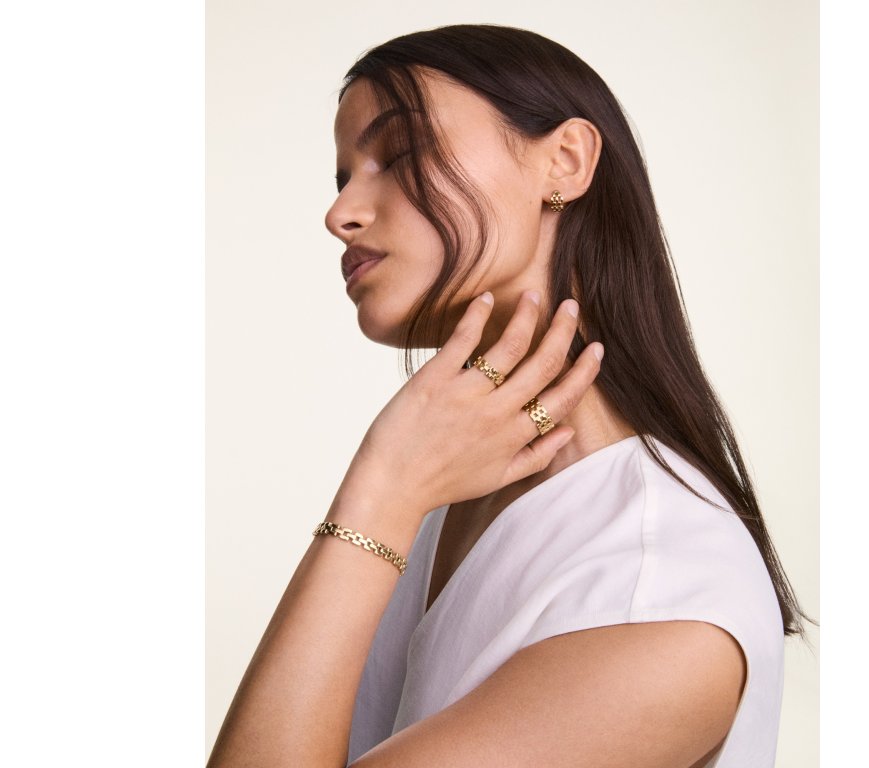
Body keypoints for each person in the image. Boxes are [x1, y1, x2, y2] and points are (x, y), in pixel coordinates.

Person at [208, 23, 812, 768]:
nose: (341, 215)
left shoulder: (654, 593)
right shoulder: (458, 504)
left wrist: (382, 489)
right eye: (343, 181)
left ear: (565, 161)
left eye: (401, 153)